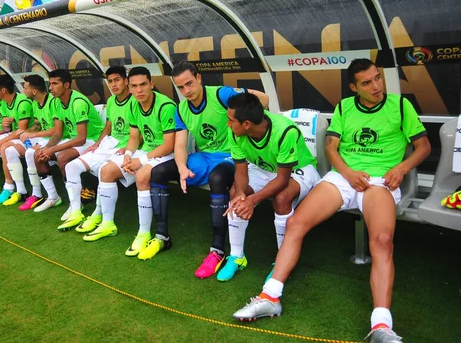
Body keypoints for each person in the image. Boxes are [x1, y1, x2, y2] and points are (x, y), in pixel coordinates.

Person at [231, 59, 431, 343]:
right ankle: (270, 296)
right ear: (354, 87)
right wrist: (348, 173)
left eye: (377, 78)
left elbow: (424, 147)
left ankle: (381, 326)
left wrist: (401, 168)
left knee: (382, 241)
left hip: (380, 181)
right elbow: (331, 147)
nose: (376, 86)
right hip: (343, 177)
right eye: (366, 82)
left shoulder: (400, 106)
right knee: (296, 222)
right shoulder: (344, 107)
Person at [148, 61, 270, 272]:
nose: (186, 91)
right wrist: (182, 167)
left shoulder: (222, 95)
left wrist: (244, 106)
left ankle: (217, 251)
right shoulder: (181, 109)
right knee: (157, 172)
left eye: (189, 84)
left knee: (217, 178)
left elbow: (265, 99)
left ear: (198, 78)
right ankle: (162, 236)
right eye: (180, 87)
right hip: (204, 157)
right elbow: (179, 145)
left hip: (231, 155)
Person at [217, 92, 320, 282]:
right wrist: (241, 196)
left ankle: (283, 262)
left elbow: (282, 179)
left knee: (281, 199)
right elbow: (241, 170)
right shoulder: (235, 132)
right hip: (264, 167)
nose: (228, 124)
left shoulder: (285, 131)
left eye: (231, 120)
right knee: (235, 194)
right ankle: (237, 257)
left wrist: (253, 200)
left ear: (247, 123)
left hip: (298, 169)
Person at [92, 67, 176, 258]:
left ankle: (143, 233)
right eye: (135, 86)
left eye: (143, 85)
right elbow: (134, 136)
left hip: (167, 154)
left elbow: (169, 145)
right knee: (106, 170)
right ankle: (107, 223)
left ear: (151, 84)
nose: (139, 90)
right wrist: (129, 154)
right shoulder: (133, 105)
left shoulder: (165, 106)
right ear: (129, 87)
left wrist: (141, 160)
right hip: (146, 152)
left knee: (142, 175)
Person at [57, 66, 135, 235]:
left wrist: (127, 147)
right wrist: (97, 144)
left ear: (126, 81)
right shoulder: (112, 101)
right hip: (109, 143)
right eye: (110, 81)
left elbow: (141, 131)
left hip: (129, 146)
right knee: (71, 167)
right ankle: (76, 211)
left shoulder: (136, 100)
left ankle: (99, 215)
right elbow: (108, 126)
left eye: (117, 80)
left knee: (103, 171)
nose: (113, 85)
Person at [32, 69, 104, 214]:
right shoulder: (57, 103)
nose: (50, 88)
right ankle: (53, 197)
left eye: (54, 84)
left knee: (62, 156)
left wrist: (52, 150)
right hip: (74, 139)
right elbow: (58, 133)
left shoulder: (78, 102)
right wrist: (46, 149)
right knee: (38, 155)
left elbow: (81, 138)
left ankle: (75, 203)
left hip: (93, 140)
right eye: (49, 84)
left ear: (66, 85)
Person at [0, 74, 59, 209]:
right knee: (10, 150)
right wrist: (27, 132)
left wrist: (34, 134)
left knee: (30, 153)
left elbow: (56, 130)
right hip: (42, 137)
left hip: (56, 139)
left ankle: (37, 194)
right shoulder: (35, 103)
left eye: (25, 88)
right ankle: (21, 192)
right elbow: (38, 124)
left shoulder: (53, 102)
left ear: (34, 91)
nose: (23, 91)